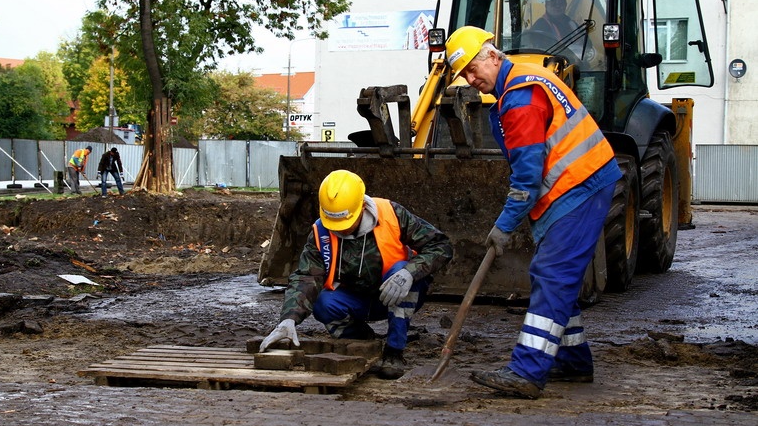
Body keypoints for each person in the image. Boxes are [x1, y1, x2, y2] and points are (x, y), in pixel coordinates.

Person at [444, 26, 621, 399]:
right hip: (578, 182)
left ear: (493, 56)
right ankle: (572, 362)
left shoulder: (521, 97)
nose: (473, 81)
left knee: (553, 273)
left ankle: (527, 370)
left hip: (580, 184)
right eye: (465, 77)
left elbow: (527, 178)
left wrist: (504, 225)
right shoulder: (525, 78)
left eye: (474, 71)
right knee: (555, 277)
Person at [258, 169, 453, 379]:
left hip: (396, 292)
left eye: (344, 224)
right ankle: (363, 342)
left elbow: (441, 246)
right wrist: (288, 319)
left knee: (399, 271)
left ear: (362, 206)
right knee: (324, 303)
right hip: (354, 299)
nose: (339, 230)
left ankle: (394, 351)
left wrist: (410, 272)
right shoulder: (321, 231)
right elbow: (306, 276)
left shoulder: (391, 214)